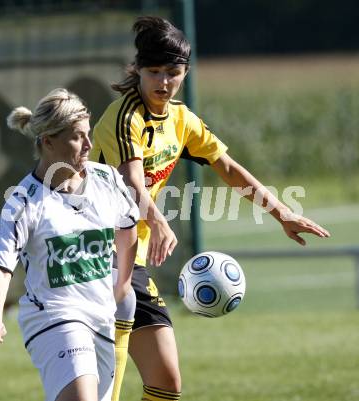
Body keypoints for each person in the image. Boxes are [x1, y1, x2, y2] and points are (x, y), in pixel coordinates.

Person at [90, 16, 331, 401]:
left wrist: (281, 212)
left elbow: (228, 168)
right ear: (138, 70)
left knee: (166, 382)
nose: (163, 82)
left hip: (129, 257)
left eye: (173, 72)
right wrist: (159, 221)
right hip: (93, 250)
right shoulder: (126, 116)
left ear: (185, 72)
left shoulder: (182, 120)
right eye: (154, 72)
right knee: (103, 373)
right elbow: (129, 182)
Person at [0, 88, 139, 401]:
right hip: (53, 317)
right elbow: (0, 264)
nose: (89, 145)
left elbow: (128, 229)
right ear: (48, 141)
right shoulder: (23, 202)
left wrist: (123, 283)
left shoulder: (106, 180)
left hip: (101, 316)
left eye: (88, 134)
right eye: (77, 137)